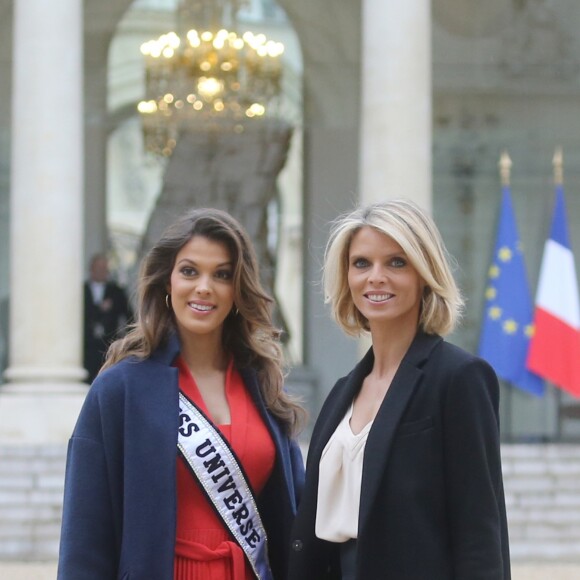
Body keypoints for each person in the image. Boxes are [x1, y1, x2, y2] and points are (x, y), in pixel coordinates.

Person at [58, 208, 305, 579]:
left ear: (237, 289)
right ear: (167, 282)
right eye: (190, 271)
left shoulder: (264, 385)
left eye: (222, 275)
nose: (204, 286)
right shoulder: (120, 388)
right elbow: (85, 535)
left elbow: (294, 515)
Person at [288, 200, 510, 579]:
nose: (376, 277)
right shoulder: (343, 392)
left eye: (396, 262)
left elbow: (479, 530)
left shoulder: (459, 378)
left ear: (424, 274)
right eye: (361, 263)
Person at [83, 253, 132, 383]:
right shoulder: (81, 290)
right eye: (98, 268)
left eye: (104, 268)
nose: (101, 271)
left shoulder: (117, 291)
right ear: (91, 269)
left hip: (109, 344)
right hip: (86, 346)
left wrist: (126, 342)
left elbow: (129, 317)